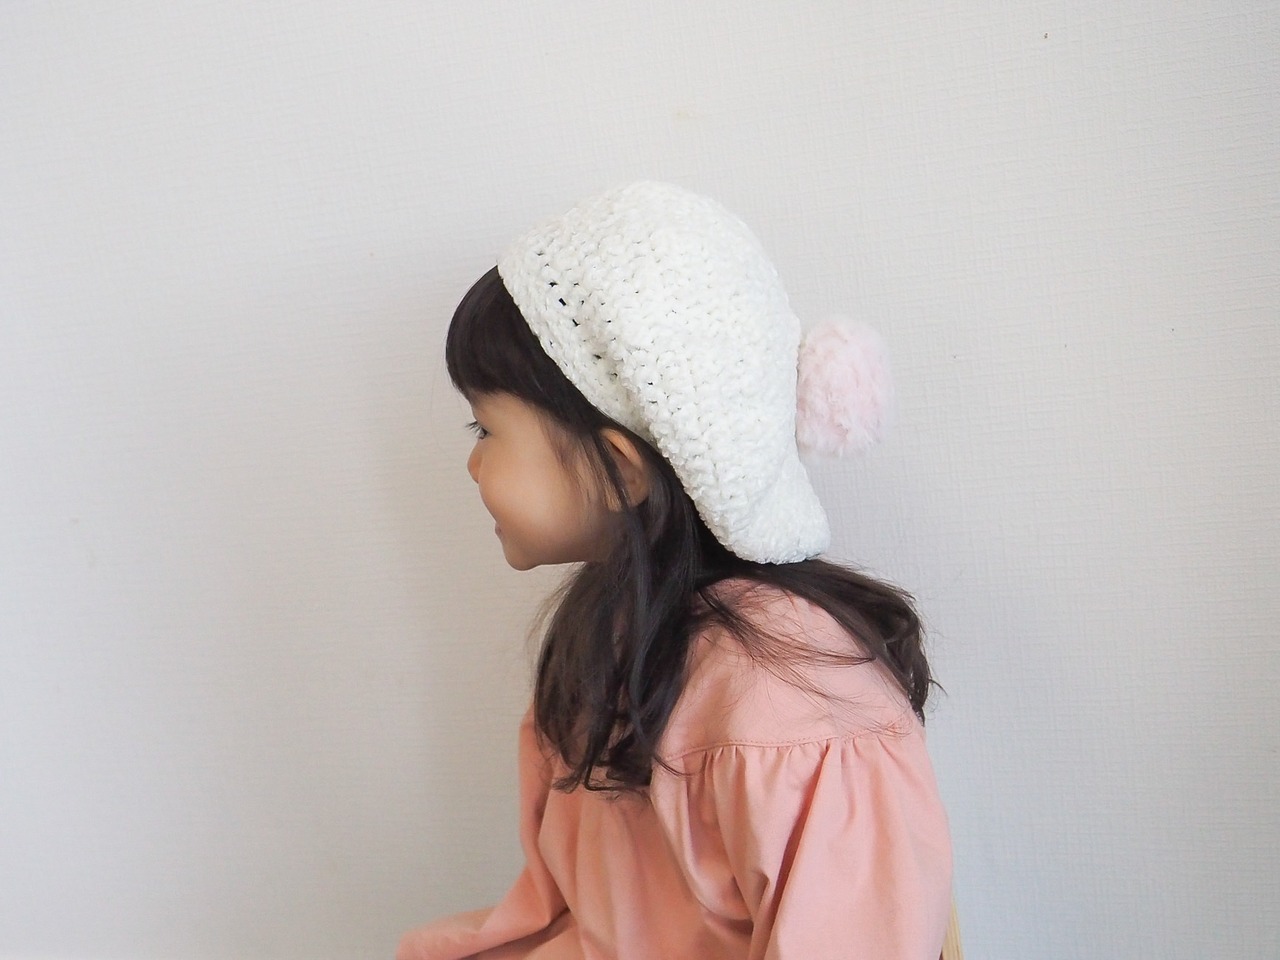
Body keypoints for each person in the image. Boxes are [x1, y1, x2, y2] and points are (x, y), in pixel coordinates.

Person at [398, 181, 952, 960]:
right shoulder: (618, 638)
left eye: (484, 428)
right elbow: (579, 919)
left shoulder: (795, 702)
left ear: (619, 471)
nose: (472, 462)